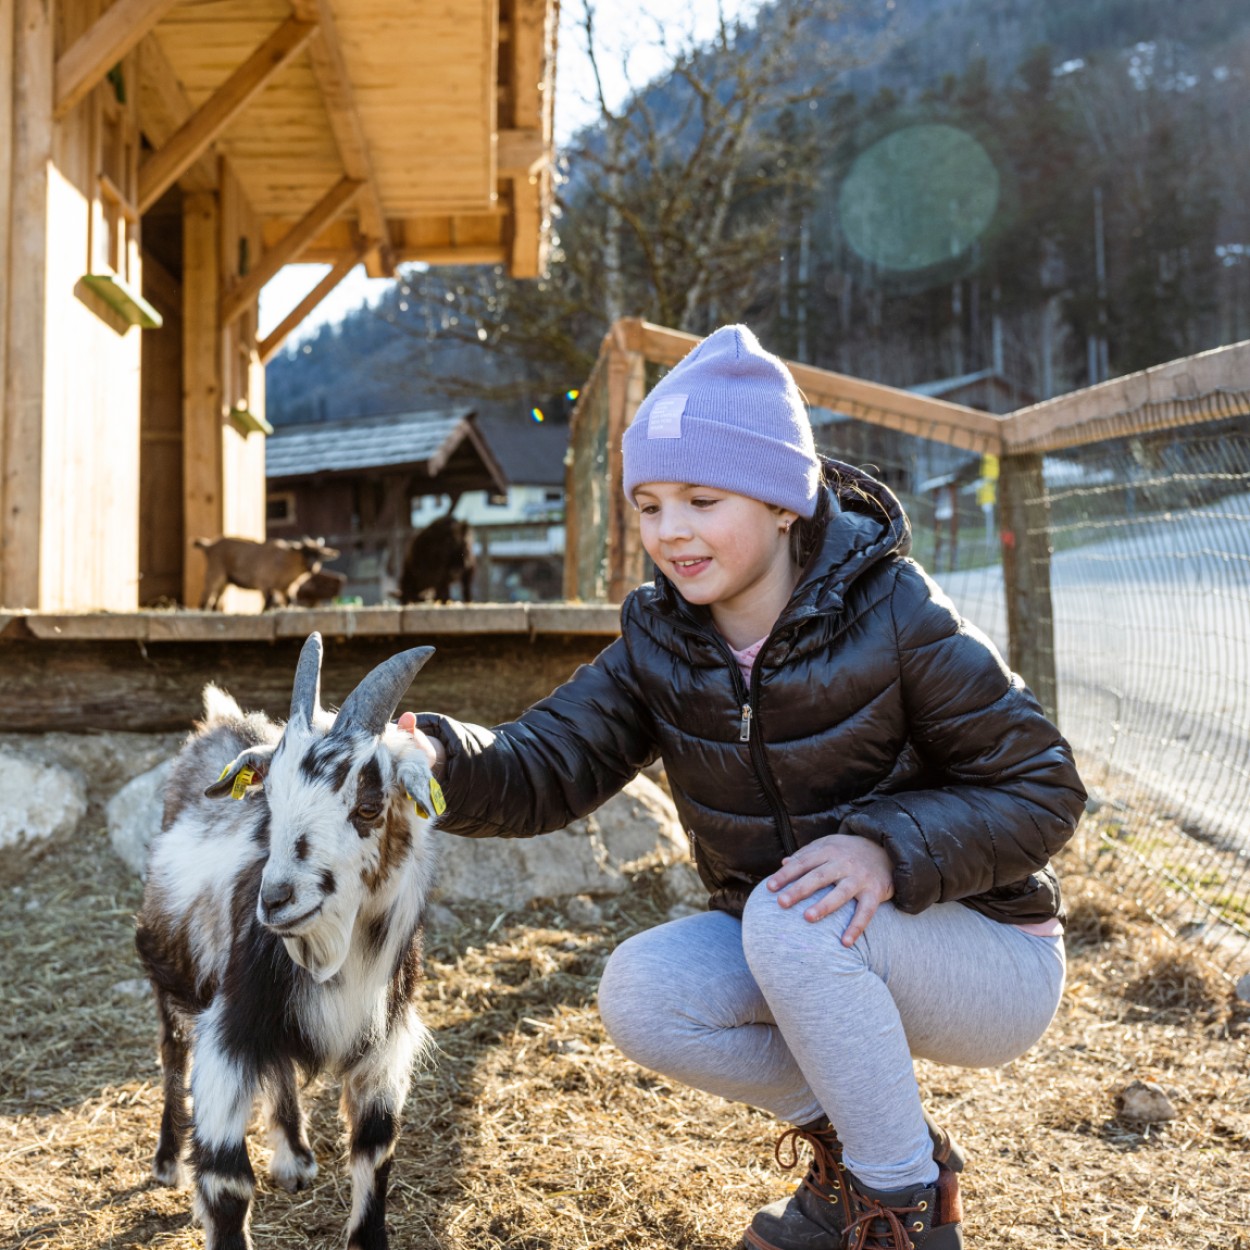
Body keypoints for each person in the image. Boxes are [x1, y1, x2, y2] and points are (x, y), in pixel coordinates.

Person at [399, 324, 1086, 1250]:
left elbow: (1044, 787)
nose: (670, 531)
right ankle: (871, 1157)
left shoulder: (896, 611)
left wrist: (885, 849)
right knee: (645, 991)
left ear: (783, 504)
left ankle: (903, 1217)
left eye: (702, 499)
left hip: (986, 950)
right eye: (649, 505)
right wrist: (441, 758)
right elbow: (546, 764)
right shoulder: (662, 639)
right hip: (804, 938)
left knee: (787, 917)